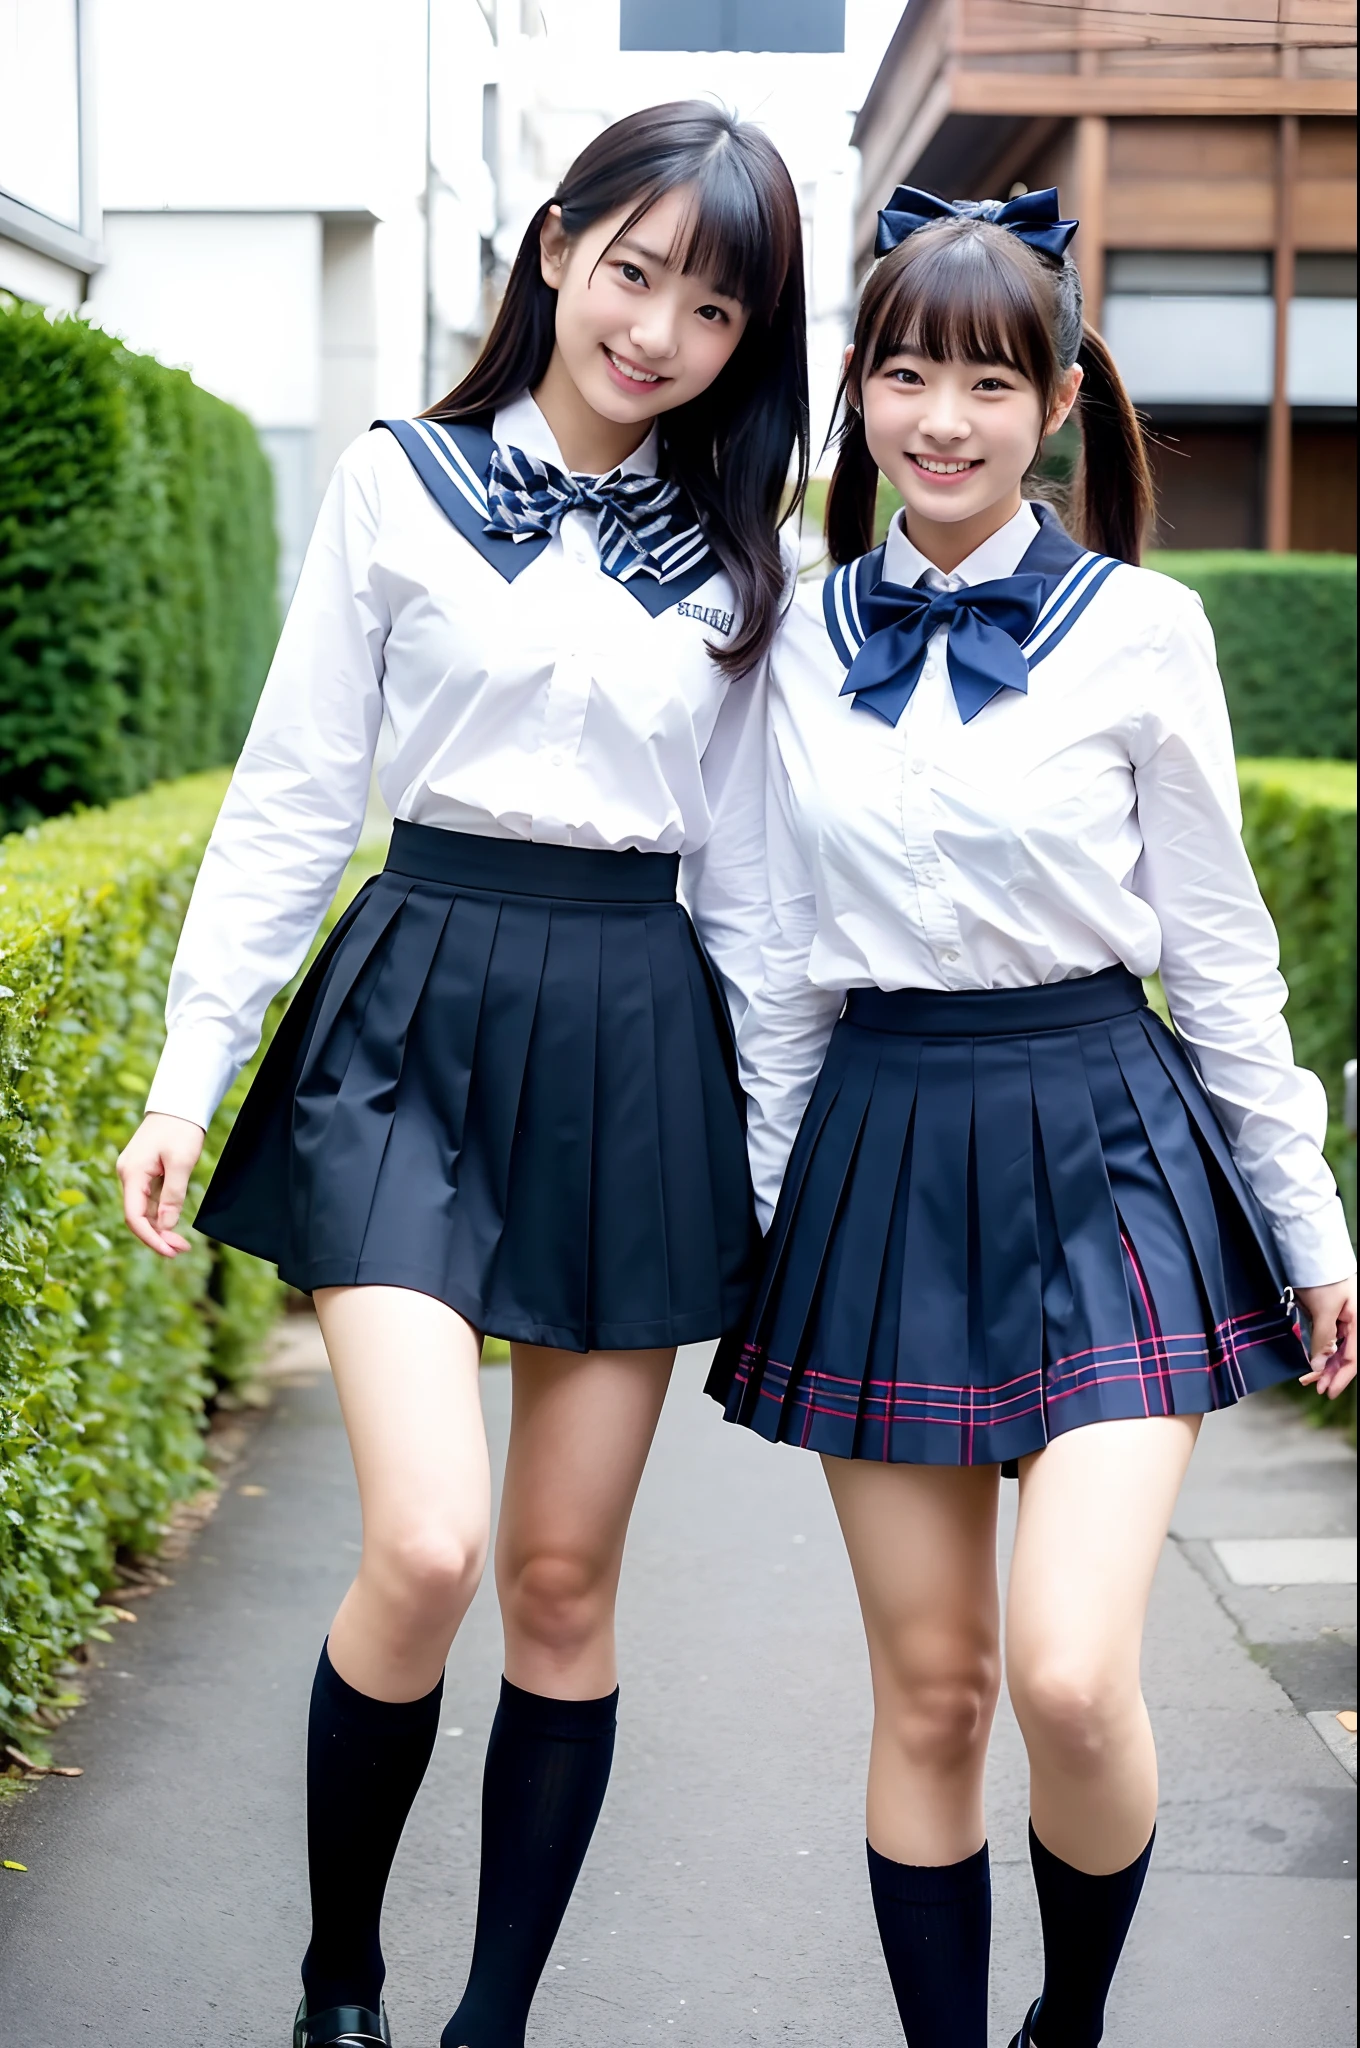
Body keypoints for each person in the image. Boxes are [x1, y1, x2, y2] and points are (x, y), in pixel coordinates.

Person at [116, 101, 807, 2048]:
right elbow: (285, 803)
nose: (658, 325)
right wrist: (186, 1075)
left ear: (746, 343)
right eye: (636, 267)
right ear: (554, 246)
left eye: (712, 302)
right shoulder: (398, 485)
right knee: (423, 1542)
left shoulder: (738, 557)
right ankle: (341, 1974)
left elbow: (754, 893)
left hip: (633, 1034)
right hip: (414, 1016)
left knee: (563, 1581)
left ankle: (485, 2023)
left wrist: (770, 1153)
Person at [708, 185, 1357, 2048]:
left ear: (1060, 402)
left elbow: (1222, 950)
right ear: (856, 391)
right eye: (907, 372)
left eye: (991, 380)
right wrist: (766, 1222)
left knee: (1071, 1676)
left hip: (1108, 1142)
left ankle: (1065, 2027)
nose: (945, 417)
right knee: (932, 1693)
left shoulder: (1144, 632)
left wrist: (1308, 1222)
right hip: (881, 1143)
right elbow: (770, 961)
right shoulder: (791, 637)